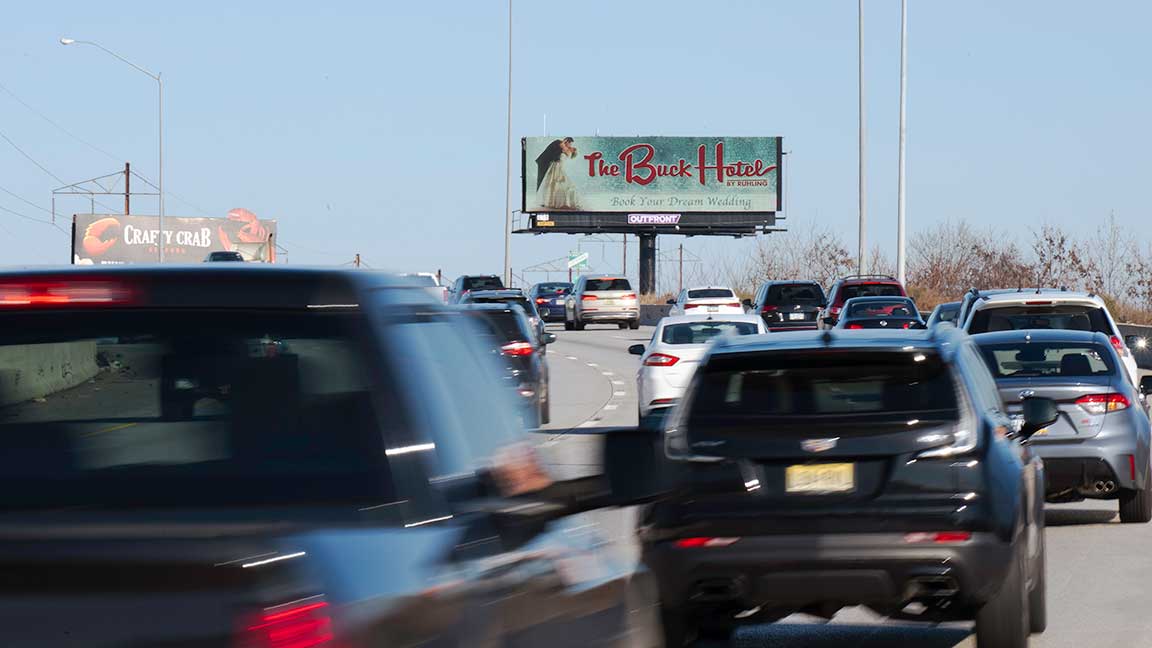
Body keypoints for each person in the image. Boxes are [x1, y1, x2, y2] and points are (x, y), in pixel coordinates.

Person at [534, 137, 580, 210]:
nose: (570, 146)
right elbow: (560, 148)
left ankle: (548, 201)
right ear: (566, 141)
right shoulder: (559, 143)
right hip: (545, 162)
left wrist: (567, 147)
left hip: (555, 166)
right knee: (544, 181)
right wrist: (564, 143)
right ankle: (543, 200)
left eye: (572, 146)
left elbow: (563, 151)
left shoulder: (567, 151)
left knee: (551, 183)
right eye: (570, 144)